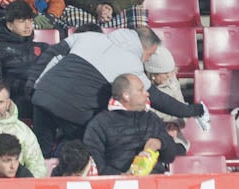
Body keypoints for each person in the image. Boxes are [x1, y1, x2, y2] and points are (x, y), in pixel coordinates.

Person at [30, 25, 158, 155]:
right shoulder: (129, 61)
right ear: (143, 47)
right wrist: (180, 111)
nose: (147, 59)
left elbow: (50, 56)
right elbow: (158, 98)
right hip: (75, 112)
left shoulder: (86, 40)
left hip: (43, 98)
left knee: (42, 155)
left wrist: (32, 87)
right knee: (78, 155)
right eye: (150, 54)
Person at [83, 73, 181, 175]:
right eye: (141, 90)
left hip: (155, 182)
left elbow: (170, 156)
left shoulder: (151, 118)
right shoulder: (100, 123)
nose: (147, 94)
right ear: (126, 96)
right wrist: (121, 177)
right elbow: (94, 162)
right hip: (117, 185)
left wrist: (160, 143)